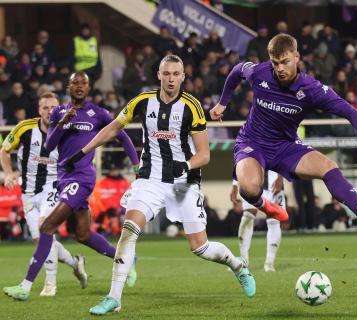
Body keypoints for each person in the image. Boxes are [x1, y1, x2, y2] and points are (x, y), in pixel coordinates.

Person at [65, 55, 255, 315]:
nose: (171, 78)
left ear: (183, 77)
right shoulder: (142, 101)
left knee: (200, 247)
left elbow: (204, 155)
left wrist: (185, 165)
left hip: (183, 183)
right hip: (150, 179)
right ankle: (114, 298)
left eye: (176, 74)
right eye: (166, 73)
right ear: (158, 74)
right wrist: (83, 150)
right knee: (129, 229)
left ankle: (237, 266)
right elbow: (113, 128)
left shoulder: (192, 106)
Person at [210, 34, 357, 232]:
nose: (279, 68)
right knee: (250, 188)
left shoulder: (312, 89)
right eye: (275, 63)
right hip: (252, 143)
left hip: (286, 146)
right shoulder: (259, 73)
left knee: (327, 166)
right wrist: (222, 104)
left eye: (284, 62)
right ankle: (266, 206)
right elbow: (237, 71)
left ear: (297, 57)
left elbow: (349, 110)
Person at [2, 72, 140, 301]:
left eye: (83, 83)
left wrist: (136, 167)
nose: (79, 86)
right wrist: (64, 122)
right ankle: (127, 259)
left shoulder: (98, 113)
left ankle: (26, 286)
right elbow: (50, 143)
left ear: (88, 87)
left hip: (82, 178)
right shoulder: (58, 112)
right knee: (83, 234)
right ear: (69, 87)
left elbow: (122, 136)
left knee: (46, 227)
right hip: (64, 177)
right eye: (75, 83)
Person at [1, 92, 86, 297]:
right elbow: (4, 150)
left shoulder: (68, 132)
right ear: (39, 110)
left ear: (60, 109)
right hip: (28, 193)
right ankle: (76, 262)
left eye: (53, 107)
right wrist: (10, 173)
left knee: (45, 228)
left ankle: (50, 283)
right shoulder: (25, 128)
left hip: (53, 188)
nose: (49, 111)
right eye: (45, 108)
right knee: (42, 240)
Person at [231, 170, 284, 272]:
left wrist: (281, 177)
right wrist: (234, 185)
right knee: (247, 217)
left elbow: (285, 154)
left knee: (274, 220)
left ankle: (269, 263)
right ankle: (244, 261)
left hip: (273, 180)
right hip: (250, 180)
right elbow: (238, 158)